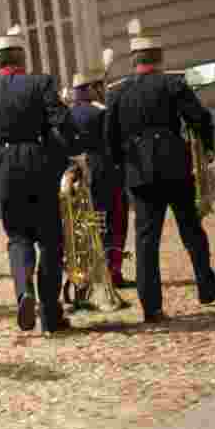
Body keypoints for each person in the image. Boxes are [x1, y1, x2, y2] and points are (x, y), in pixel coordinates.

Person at [0, 26, 76, 335]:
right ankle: (51, 315)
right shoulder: (40, 83)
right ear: (21, 58)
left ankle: (23, 291)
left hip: (4, 168)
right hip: (40, 163)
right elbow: (61, 120)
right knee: (50, 240)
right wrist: (74, 148)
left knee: (17, 237)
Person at [105, 19, 215, 322]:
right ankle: (207, 287)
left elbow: (110, 137)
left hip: (139, 173)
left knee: (146, 240)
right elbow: (200, 118)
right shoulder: (173, 83)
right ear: (160, 60)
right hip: (175, 168)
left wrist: (121, 164)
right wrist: (208, 147)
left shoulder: (117, 93)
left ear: (134, 62)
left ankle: (151, 306)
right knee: (191, 230)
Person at [67, 66, 129, 288]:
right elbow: (114, 142)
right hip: (105, 173)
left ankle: (89, 271)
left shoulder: (66, 114)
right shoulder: (100, 111)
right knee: (114, 223)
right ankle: (112, 271)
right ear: (92, 88)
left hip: (75, 177)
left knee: (88, 223)